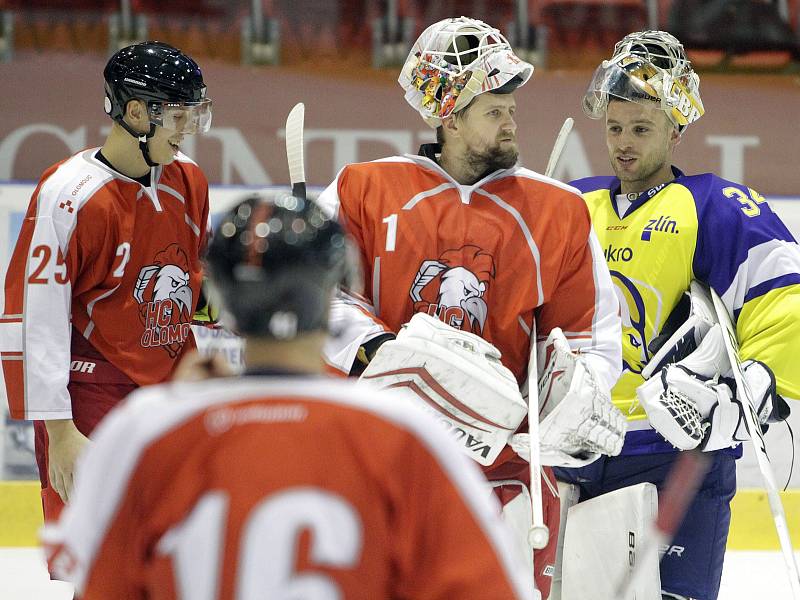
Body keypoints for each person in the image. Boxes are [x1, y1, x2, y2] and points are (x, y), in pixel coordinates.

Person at [42, 193, 533, 600]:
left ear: (222, 302)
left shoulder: (145, 431)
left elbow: (101, 585)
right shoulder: (402, 434)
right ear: (333, 296)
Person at [316, 16, 625, 597]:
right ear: (448, 116)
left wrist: (567, 396)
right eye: (493, 111)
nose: (512, 123)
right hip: (380, 460)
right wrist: (392, 357)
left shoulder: (558, 211)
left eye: (510, 107)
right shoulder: (362, 188)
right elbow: (319, 299)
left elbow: (590, 339)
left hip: (505, 473)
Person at [559, 30, 798, 600]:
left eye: (641, 129)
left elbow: (784, 296)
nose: (622, 144)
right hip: (576, 451)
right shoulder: (572, 203)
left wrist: (757, 386)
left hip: (675, 457)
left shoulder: (712, 204)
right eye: (614, 127)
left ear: (676, 127)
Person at [0, 41, 213, 525]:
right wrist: (60, 431)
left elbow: (193, 280)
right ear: (136, 112)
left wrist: (216, 295)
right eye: (177, 115)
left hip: (173, 388)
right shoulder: (69, 195)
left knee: (177, 547)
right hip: (94, 392)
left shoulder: (189, 180)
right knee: (104, 551)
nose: (187, 130)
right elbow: (37, 314)